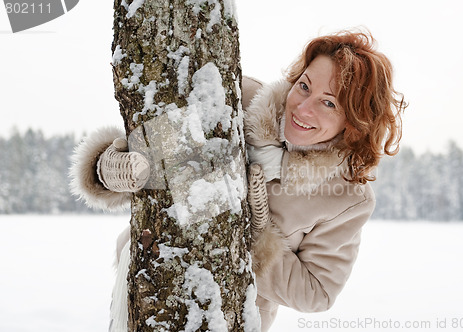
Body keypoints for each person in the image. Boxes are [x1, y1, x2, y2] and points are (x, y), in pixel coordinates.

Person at [70, 29, 406, 331]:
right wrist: (109, 168)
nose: (302, 108)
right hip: (150, 280)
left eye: (328, 103)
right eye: (304, 86)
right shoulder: (241, 99)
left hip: (227, 316)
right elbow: (151, 149)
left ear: (354, 123)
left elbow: (316, 293)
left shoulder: (346, 198)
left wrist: (258, 233)